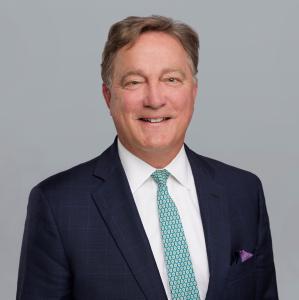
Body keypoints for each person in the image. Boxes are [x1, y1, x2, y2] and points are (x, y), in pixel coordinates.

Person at [16, 15, 278, 300]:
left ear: (193, 91)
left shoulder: (243, 192)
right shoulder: (58, 206)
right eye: (134, 82)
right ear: (108, 96)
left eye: (171, 79)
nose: (154, 99)